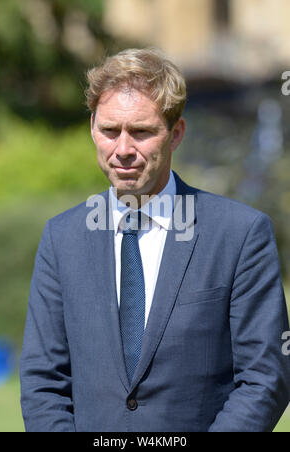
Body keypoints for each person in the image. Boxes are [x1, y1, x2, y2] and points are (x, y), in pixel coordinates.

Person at [20, 48, 290, 432]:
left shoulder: (240, 234)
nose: (123, 149)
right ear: (92, 128)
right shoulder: (62, 238)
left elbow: (265, 378)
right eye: (110, 131)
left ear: (175, 133)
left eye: (142, 132)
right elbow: (42, 382)